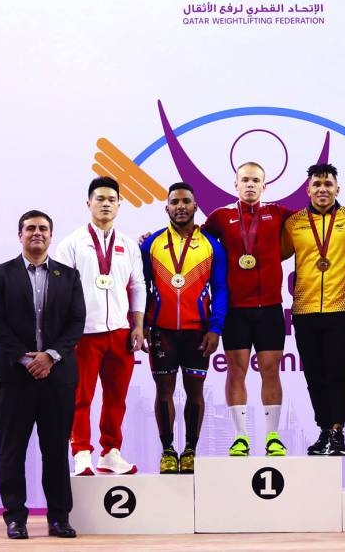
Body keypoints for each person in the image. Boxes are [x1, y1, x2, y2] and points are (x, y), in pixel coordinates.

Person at [0, 210, 84, 540]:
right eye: (30, 228)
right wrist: (27, 360)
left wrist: (50, 356)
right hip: (13, 376)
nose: (36, 233)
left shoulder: (68, 276)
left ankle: (59, 518)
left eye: (43, 228)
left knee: (55, 449)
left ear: (51, 236)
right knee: (12, 450)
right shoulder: (0, 274)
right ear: (20, 235)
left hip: (57, 376)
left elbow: (76, 323)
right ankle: (15, 518)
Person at [280, 163, 345, 456]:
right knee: (315, 375)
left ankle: (337, 431)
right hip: (305, 310)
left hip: (341, 308)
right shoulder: (293, 223)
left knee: (338, 373)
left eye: (328, 184)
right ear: (308, 190)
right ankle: (323, 430)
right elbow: (270, 253)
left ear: (338, 189)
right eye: (317, 184)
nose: (322, 189)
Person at [54, 176, 145, 476]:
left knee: (116, 397)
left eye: (111, 199)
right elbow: (59, 291)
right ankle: (80, 452)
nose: (106, 204)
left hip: (120, 332)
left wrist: (138, 326)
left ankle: (111, 452)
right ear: (88, 203)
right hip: (84, 334)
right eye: (99, 199)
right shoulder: (71, 244)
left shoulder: (128, 246)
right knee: (81, 396)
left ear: (120, 204)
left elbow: (138, 287)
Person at [203, 161, 293, 457]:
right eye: (245, 180)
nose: (250, 185)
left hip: (269, 308)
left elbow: (317, 221)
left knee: (271, 371)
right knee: (236, 371)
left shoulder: (278, 213)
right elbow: (192, 241)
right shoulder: (220, 217)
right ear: (236, 184)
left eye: (256, 180)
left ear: (265, 186)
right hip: (235, 310)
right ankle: (240, 436)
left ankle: (272, 437)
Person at [142, 182, 229, 474]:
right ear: (167, 207)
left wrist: (215, 328)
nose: (180, 206)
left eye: (186, 201)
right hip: (161, 331)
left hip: (197, 331)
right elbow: (139, 287)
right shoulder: (149, 243)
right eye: (175, 202)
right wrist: (141, 325)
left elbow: (220, 289)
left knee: (195, 391)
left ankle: (190, 450)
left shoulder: (211, 245)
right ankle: (168, 451)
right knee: (163, 391)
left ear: (195, 206)